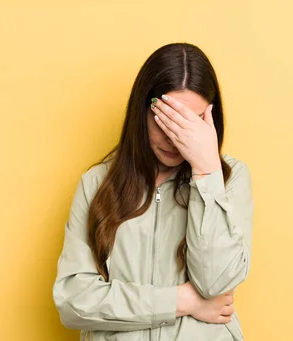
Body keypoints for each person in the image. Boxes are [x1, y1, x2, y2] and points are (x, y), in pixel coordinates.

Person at [52, 42, 254, 341]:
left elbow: (215, 282)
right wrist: (182, 301)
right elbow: (73, 300)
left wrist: (206, 171)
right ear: (142, 111)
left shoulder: (228, 178)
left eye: (190, 122)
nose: (175, 137)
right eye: (166, 118)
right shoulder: (96, 183)